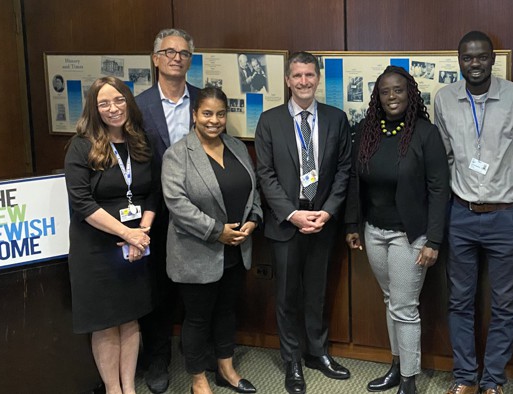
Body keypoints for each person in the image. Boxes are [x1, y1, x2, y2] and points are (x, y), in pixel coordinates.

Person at [434, 31, 513, 394]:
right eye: (467, 57)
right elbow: (443, 159)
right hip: (460, 214)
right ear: (458, 60)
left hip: (506, 216)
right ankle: (465, 377)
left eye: (481, 57)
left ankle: (492, 380)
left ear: (493, 59)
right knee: (459, 301)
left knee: (506, 305)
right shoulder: (444, 99)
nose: (474, 63)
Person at [344, 66, 450, 394]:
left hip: (410, 235)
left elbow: (439, 189)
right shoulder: (365, 131)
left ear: (410, 93)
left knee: (404, 307)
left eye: (399, 90)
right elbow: (352, 180)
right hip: (374, 231)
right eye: (386, 91)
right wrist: (351, 224)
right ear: (378, 96)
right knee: (391, 300)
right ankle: (396, 365)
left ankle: (408, 379)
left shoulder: (424, 133)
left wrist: (433, 239)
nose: (392, 97)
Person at [254, 51, 353, 394]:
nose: (304, 82)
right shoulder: (269, 120)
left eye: (310, 75)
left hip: (323, 220)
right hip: (286, 222)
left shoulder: (336, 118)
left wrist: (328, 211)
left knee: (317, 293)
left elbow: (344, 170)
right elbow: (265, 174)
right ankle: (292, 360)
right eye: (297, 76)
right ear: (287, 80)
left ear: (318, 78)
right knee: (286, 296)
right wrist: (292, 214)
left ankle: (317, 353)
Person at [161, 87, 261, 394]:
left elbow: (253, 191)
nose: (214, 120)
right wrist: (217, 230)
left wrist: (253, 220)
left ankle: (226, 370)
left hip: (235, 249)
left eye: (220, 114)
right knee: (198, 318)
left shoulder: (236, 147)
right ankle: (197, 379)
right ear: (194, 115)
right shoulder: (178, 153)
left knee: (227, 312)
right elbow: (177, 204)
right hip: (197, 251)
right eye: (207, 113)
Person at [64, 76, 157, 394]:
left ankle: (129, 388)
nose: (113, 108)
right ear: (94, 108)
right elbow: (81, 202)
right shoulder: (81, 146)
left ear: (128, 102)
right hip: (95, 248)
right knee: (105, 324)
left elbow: (153, 193)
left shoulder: (140, 141)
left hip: (134, 246)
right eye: (104, 103)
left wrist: (141, 234)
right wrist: (127, 234)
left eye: (118, 100)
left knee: (130, 320)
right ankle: (112, 390)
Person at [134, 28, 201, 393]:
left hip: (198, 211)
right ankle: (158, 359)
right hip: (154, 213)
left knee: (197, 289)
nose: (177, 57)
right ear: (156, 58)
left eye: (184, 53)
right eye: (169, 51)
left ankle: (198, 361)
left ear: (191, 60)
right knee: (157, 290)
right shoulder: (138, 106)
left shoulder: (203, 102)